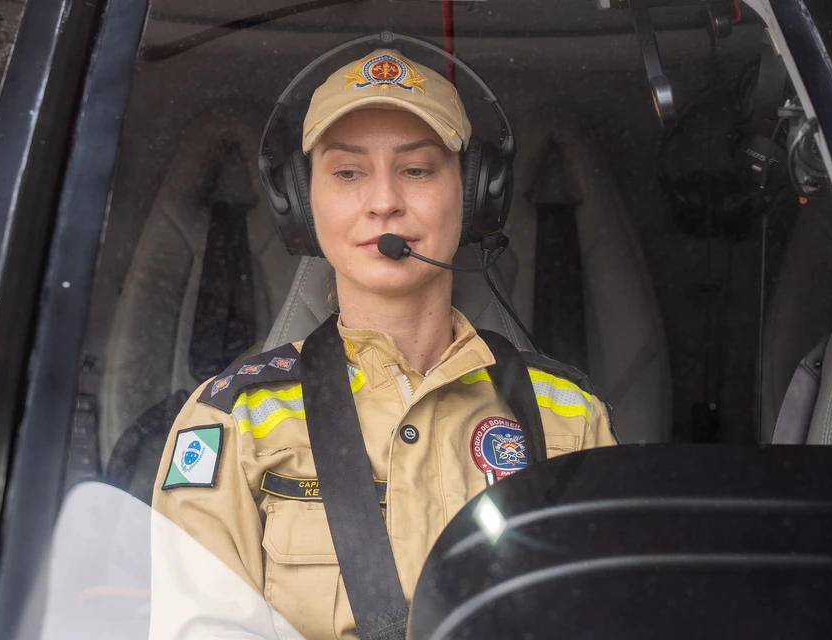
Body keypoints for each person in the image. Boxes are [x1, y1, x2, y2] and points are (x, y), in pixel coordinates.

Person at [150, 47, 617, 640]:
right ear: (301, 201)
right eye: (347, 173)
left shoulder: (568, 417)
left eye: (417, 169)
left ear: (475, 193)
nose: (383, 201)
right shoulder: (234, 421)